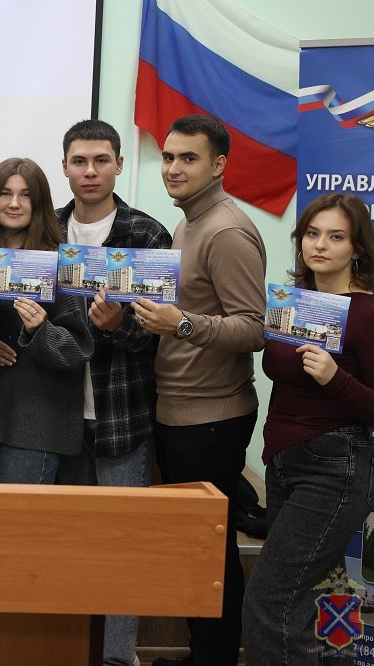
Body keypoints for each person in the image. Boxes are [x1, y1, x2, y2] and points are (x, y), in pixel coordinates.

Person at [131, 114, 267, 666]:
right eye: (167, 157)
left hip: (209, 418)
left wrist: (180, 324)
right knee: (193, 549)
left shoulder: (226, 230)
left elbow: (254, 328)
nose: (173, 168)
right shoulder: (188, 223)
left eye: (188, 158)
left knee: (208, 553)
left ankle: (213, 659)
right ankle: (202, 654)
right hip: (179, 412)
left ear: (218, 165)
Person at [53, 120, 171, 666]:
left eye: (101, 160)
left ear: (119, 165)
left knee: (122, 548)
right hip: (55, 419)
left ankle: (119, 658)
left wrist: (115, 325)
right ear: (65, 167)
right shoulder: (45, 232)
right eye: (80, 161)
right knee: (66, 544)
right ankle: (66, 651)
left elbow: (159, 338)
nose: (91, 171)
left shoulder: (147, 236)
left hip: (122, 419)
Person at [243, 194, 374, 664]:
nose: (320, 245)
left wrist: (336, 378)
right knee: (322, 597)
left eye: (336, 236)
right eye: (312, 234)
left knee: (270, 601)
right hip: (283, 462)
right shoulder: (292, 303)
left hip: (334, 466)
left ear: (357, 248)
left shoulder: (368, 311)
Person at [0, 157, 92, 484]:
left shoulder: (61, 261)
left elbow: (79, 348)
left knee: (15, 531)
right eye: (5, 193)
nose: (14, 203)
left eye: (25, 196)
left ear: (39, 205)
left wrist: (40, 330)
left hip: (36, 426)